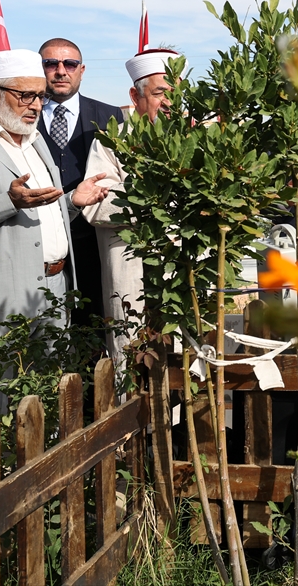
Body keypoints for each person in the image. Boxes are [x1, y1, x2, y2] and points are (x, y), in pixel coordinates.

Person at [0, 49, 109, 342]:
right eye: (26, 96)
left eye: (40, 96)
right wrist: (6, 203)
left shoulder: (34, 139)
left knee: (49, 386)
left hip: (54, 292)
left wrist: (70, 202)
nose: (36, 105)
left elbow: (38, 214)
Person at [80, 48, 180, 366]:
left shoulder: (194, 140)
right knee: (130, 367)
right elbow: (95, 206)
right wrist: (151, 203)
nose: (168, 102)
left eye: (175, 94)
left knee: (185, 371)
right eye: (159, 93)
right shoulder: (111, 141)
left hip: (180, 278)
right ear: (135, 96)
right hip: (130, 276)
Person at [36, 38, 123, 328]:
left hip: (93, 244)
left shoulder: (111, 116)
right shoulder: (25, 116)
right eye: (51, 64)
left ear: (81, 70)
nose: (61, 71)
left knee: (95, 326)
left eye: (69, 64)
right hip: (40, 244)